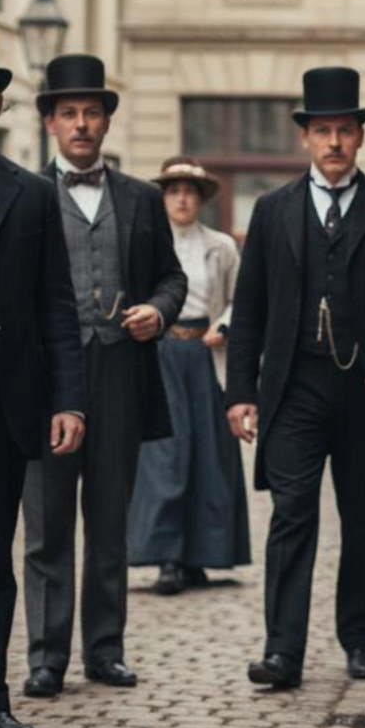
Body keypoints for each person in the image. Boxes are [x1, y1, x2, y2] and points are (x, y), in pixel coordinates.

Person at [226, 67, 365, 689]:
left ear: (360, 137)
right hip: (294, 388)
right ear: (306, 138)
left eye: (345, 130)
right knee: (292, 515)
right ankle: (283, 651)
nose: (335, 142)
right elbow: (250, 309)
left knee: (362, 518)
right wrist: (240, 392)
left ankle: (360, 639)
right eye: (324, 131)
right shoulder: (272, 211)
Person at [21, 54, 187, 701]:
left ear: (107, 121)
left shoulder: (143, 198)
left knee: (110, 520)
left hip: (121, 367)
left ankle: (105, 649)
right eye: (69, 114)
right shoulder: (28, 195)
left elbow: (173, 277)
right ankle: (45, 656)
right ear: (50, 123)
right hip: (47, 379)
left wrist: (160, 310)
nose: (81, 124)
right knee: (47, 523)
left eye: (92, 112)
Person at [0, 32, 86, 728]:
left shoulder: (31, 195)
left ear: (1, 104)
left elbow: (58, 305)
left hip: (4, 402)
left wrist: (67, 399)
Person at [128, 157, 250, 594]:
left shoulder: (221, 246)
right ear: (162, 197)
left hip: (205, 353)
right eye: (173, 189)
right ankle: (167, 556)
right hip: (161, 353)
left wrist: (225, 325)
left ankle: (204, 555)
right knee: (165, 452)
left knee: (209, 453)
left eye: (190, 191)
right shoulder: (145, 242)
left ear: (201, 199)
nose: (181, 198)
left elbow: (243, 297)